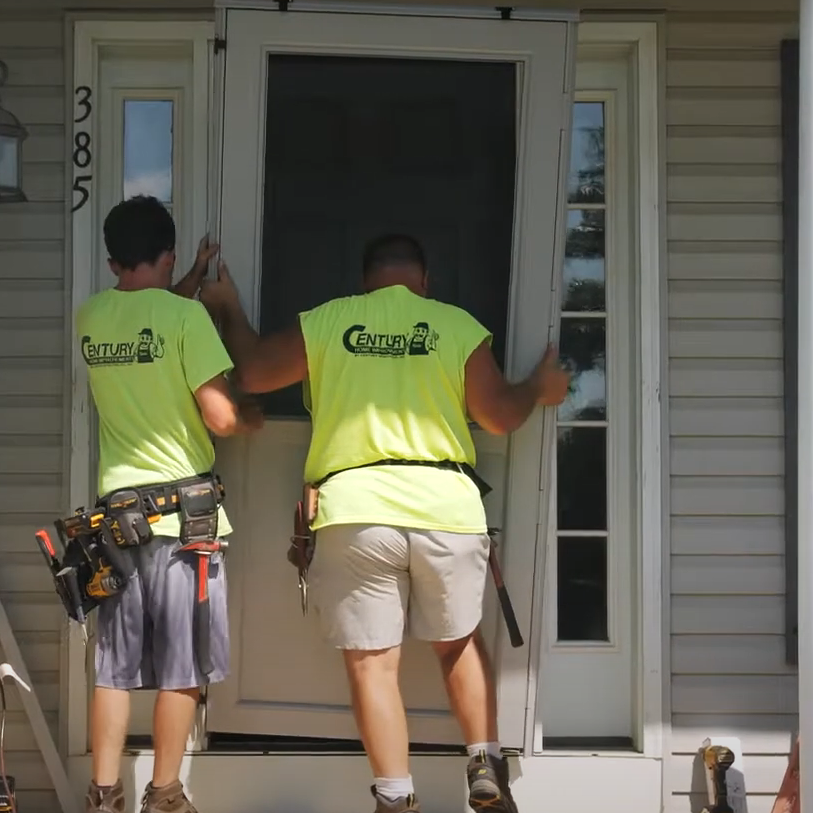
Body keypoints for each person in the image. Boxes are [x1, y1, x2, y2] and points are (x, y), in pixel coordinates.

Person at [197, 234, 568, 813]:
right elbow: (498, 417)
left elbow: (253, 371)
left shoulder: (332, 321)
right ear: (425, 281)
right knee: (458, 643)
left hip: (357, 510)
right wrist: (538, 389)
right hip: (446, 508)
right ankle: (484, 762)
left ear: (365, 282)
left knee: (373, 664)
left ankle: (395, 796)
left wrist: (228, 307)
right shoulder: (454, 325)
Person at [77, 195, 258, 813]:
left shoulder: (92, 317)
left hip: (115, 518)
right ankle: (164, 793)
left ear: (111, 261)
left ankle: (103, 796)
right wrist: (249, 418)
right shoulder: (188, 322)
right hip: (185, 521)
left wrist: (186, 279)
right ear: (170, 254)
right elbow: (221, 417)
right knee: (182, 663)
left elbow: (146, 312)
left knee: (114, 664)